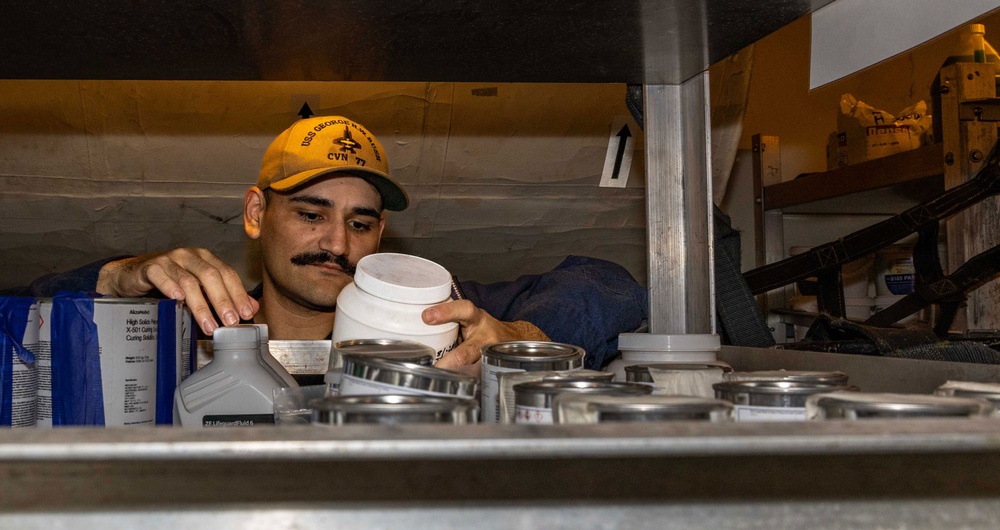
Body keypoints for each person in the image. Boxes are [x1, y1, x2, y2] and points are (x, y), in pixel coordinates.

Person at [12, 116, 647, 370]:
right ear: (257, 212)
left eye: (361, 223)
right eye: (312, 214)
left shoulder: (441, 322)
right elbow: (24, 318)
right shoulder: (198, 322)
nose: (337, 244)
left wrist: (517, 338)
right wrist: (121, 275)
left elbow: (611, 286)